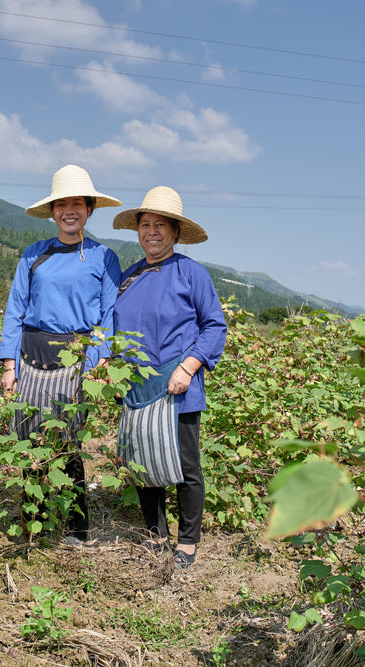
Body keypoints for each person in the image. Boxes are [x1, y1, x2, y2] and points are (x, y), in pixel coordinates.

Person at [0, 164, 122, 544]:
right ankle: (32, 520)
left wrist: (99, 359)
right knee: (30, 437)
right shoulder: (34, 254)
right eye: (62, 204)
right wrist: (8, 363)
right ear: (53, 212)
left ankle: (75, 527)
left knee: (68, 441)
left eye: (77, 204)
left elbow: (109, 313)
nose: (69, 210)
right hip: (31, 353)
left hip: (76, 360)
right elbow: (15, 307)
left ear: (89, 209)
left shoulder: (104, 257)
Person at [111, 186, 227, 568]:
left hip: (178, 385)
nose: (152, 231)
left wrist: (189, 365)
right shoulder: (129, 277)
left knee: (184, 466)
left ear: (176, 232)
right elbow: (113, 330)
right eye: (145, 225)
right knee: (145, 463)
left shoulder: (191, 273)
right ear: (138, 231)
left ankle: (187, 542)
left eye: (161, 225)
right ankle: (155, 536)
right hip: (137, 386)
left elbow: (214, 326)